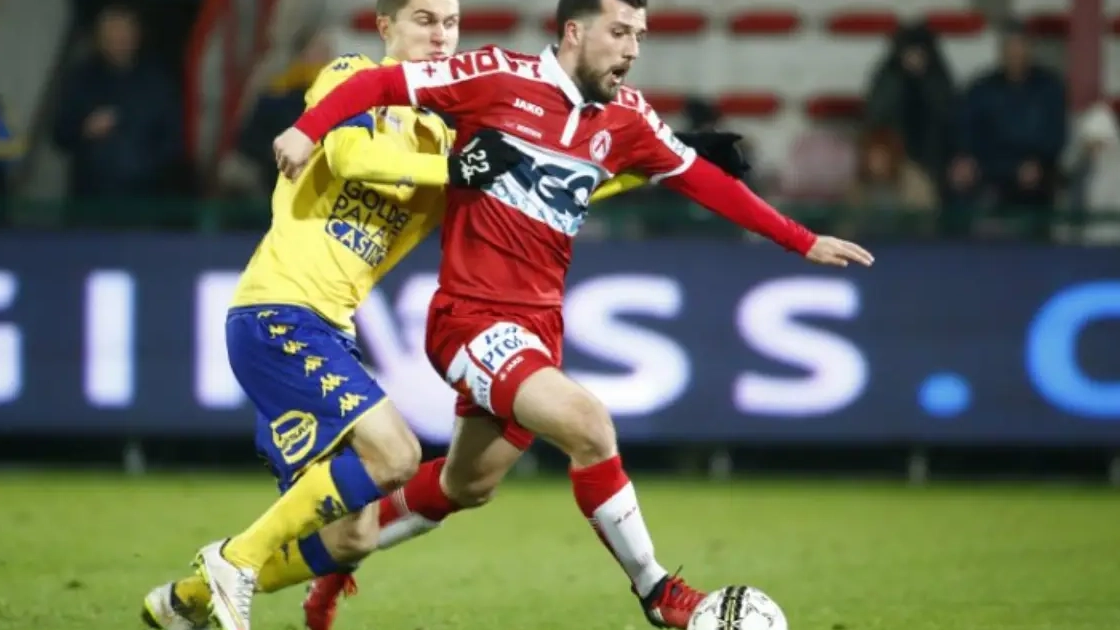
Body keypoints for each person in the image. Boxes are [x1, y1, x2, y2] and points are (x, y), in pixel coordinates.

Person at [139, 2, 751, 630]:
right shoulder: (349, 76)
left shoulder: (442, 135)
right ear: (384, 27)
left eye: (450, 24)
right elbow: (349, 158)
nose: (440, 36)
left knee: (352, 537)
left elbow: (547, 180)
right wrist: (456, 168)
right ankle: (234, 560)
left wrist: (668, 164)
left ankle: (184, 601)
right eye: (423, 20)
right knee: (395, 455)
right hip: (279, 308)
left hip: (331, 328)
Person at [269, 2, 874, 630]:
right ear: (575, 32)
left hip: (538, 329)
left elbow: (704, 181)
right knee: (589, 426)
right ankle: (660, 593)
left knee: (465, 485)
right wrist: (307, 131)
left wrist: (801, 240)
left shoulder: (627, 118)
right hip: (469, 320)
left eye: (639, 35)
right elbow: (379, 84)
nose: (632, 49)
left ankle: (330, 564)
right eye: (620, 32)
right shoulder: (496, 76)